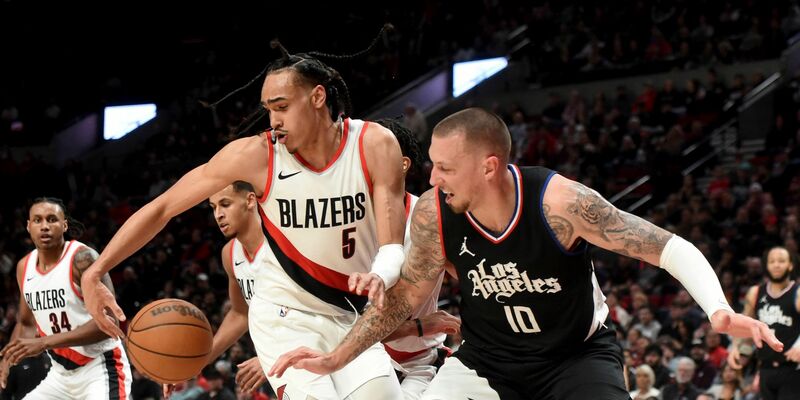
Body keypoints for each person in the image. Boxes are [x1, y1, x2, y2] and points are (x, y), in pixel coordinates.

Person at [268, 107, 782, 399]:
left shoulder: (562, 203)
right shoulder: (432, 212)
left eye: (445, 167)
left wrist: (718, 309)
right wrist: (336, 356)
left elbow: (664, 246)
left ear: (488, 167)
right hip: (488, 362)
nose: (433, 177)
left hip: (574, 358)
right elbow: (403, 299)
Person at [81, 28, 413, 400]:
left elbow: (392, 246)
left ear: (318, 97)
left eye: (282, 106)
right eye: (268, 109)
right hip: (286, 316)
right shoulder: (256, 156)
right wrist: (96, 270)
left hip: (353, 314)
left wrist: (380, 275)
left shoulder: (373, 143)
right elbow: (163, 208)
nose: (272, 120)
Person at [0, 197, 131, 399]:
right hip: (59, 374)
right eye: (37, 220)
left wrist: (45, 342)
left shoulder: (83, 259)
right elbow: (26, 323)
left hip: (101, 367)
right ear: (28, 226)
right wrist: (8, 359)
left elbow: (109, 322)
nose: (44, 226)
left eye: (52, 219)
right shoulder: (23, 267)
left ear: (64, 225)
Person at [373, 117, 460, 400]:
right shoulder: (343, 222)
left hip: (420, 362)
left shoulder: (429, 218)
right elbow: (343, 326)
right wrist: (420, 325)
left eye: (372, 153)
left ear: (402, 164)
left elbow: (477, 279)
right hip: (362, 358)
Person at [729, 246, 800, 400]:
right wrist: (736, 348)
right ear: (766, 266)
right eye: (772, 261)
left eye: (781, 261)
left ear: (790, 265)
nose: (776, 265)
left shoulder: (798, 292)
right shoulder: (755, 293)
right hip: (765, 368)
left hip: (793, 369)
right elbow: (744, 326)